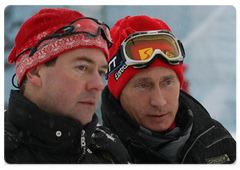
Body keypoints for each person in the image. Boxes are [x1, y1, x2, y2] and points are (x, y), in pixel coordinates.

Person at [101, 15, 237, 164]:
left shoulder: (218, 142)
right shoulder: (97, 158)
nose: (159, 102)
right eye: (143, 85)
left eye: (167, 82)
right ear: (118, 94)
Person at [2, 8, 130, 164]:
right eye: (82, 68)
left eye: (101, 72)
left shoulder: (109, 152)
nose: (98, 85)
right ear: (35, 72)